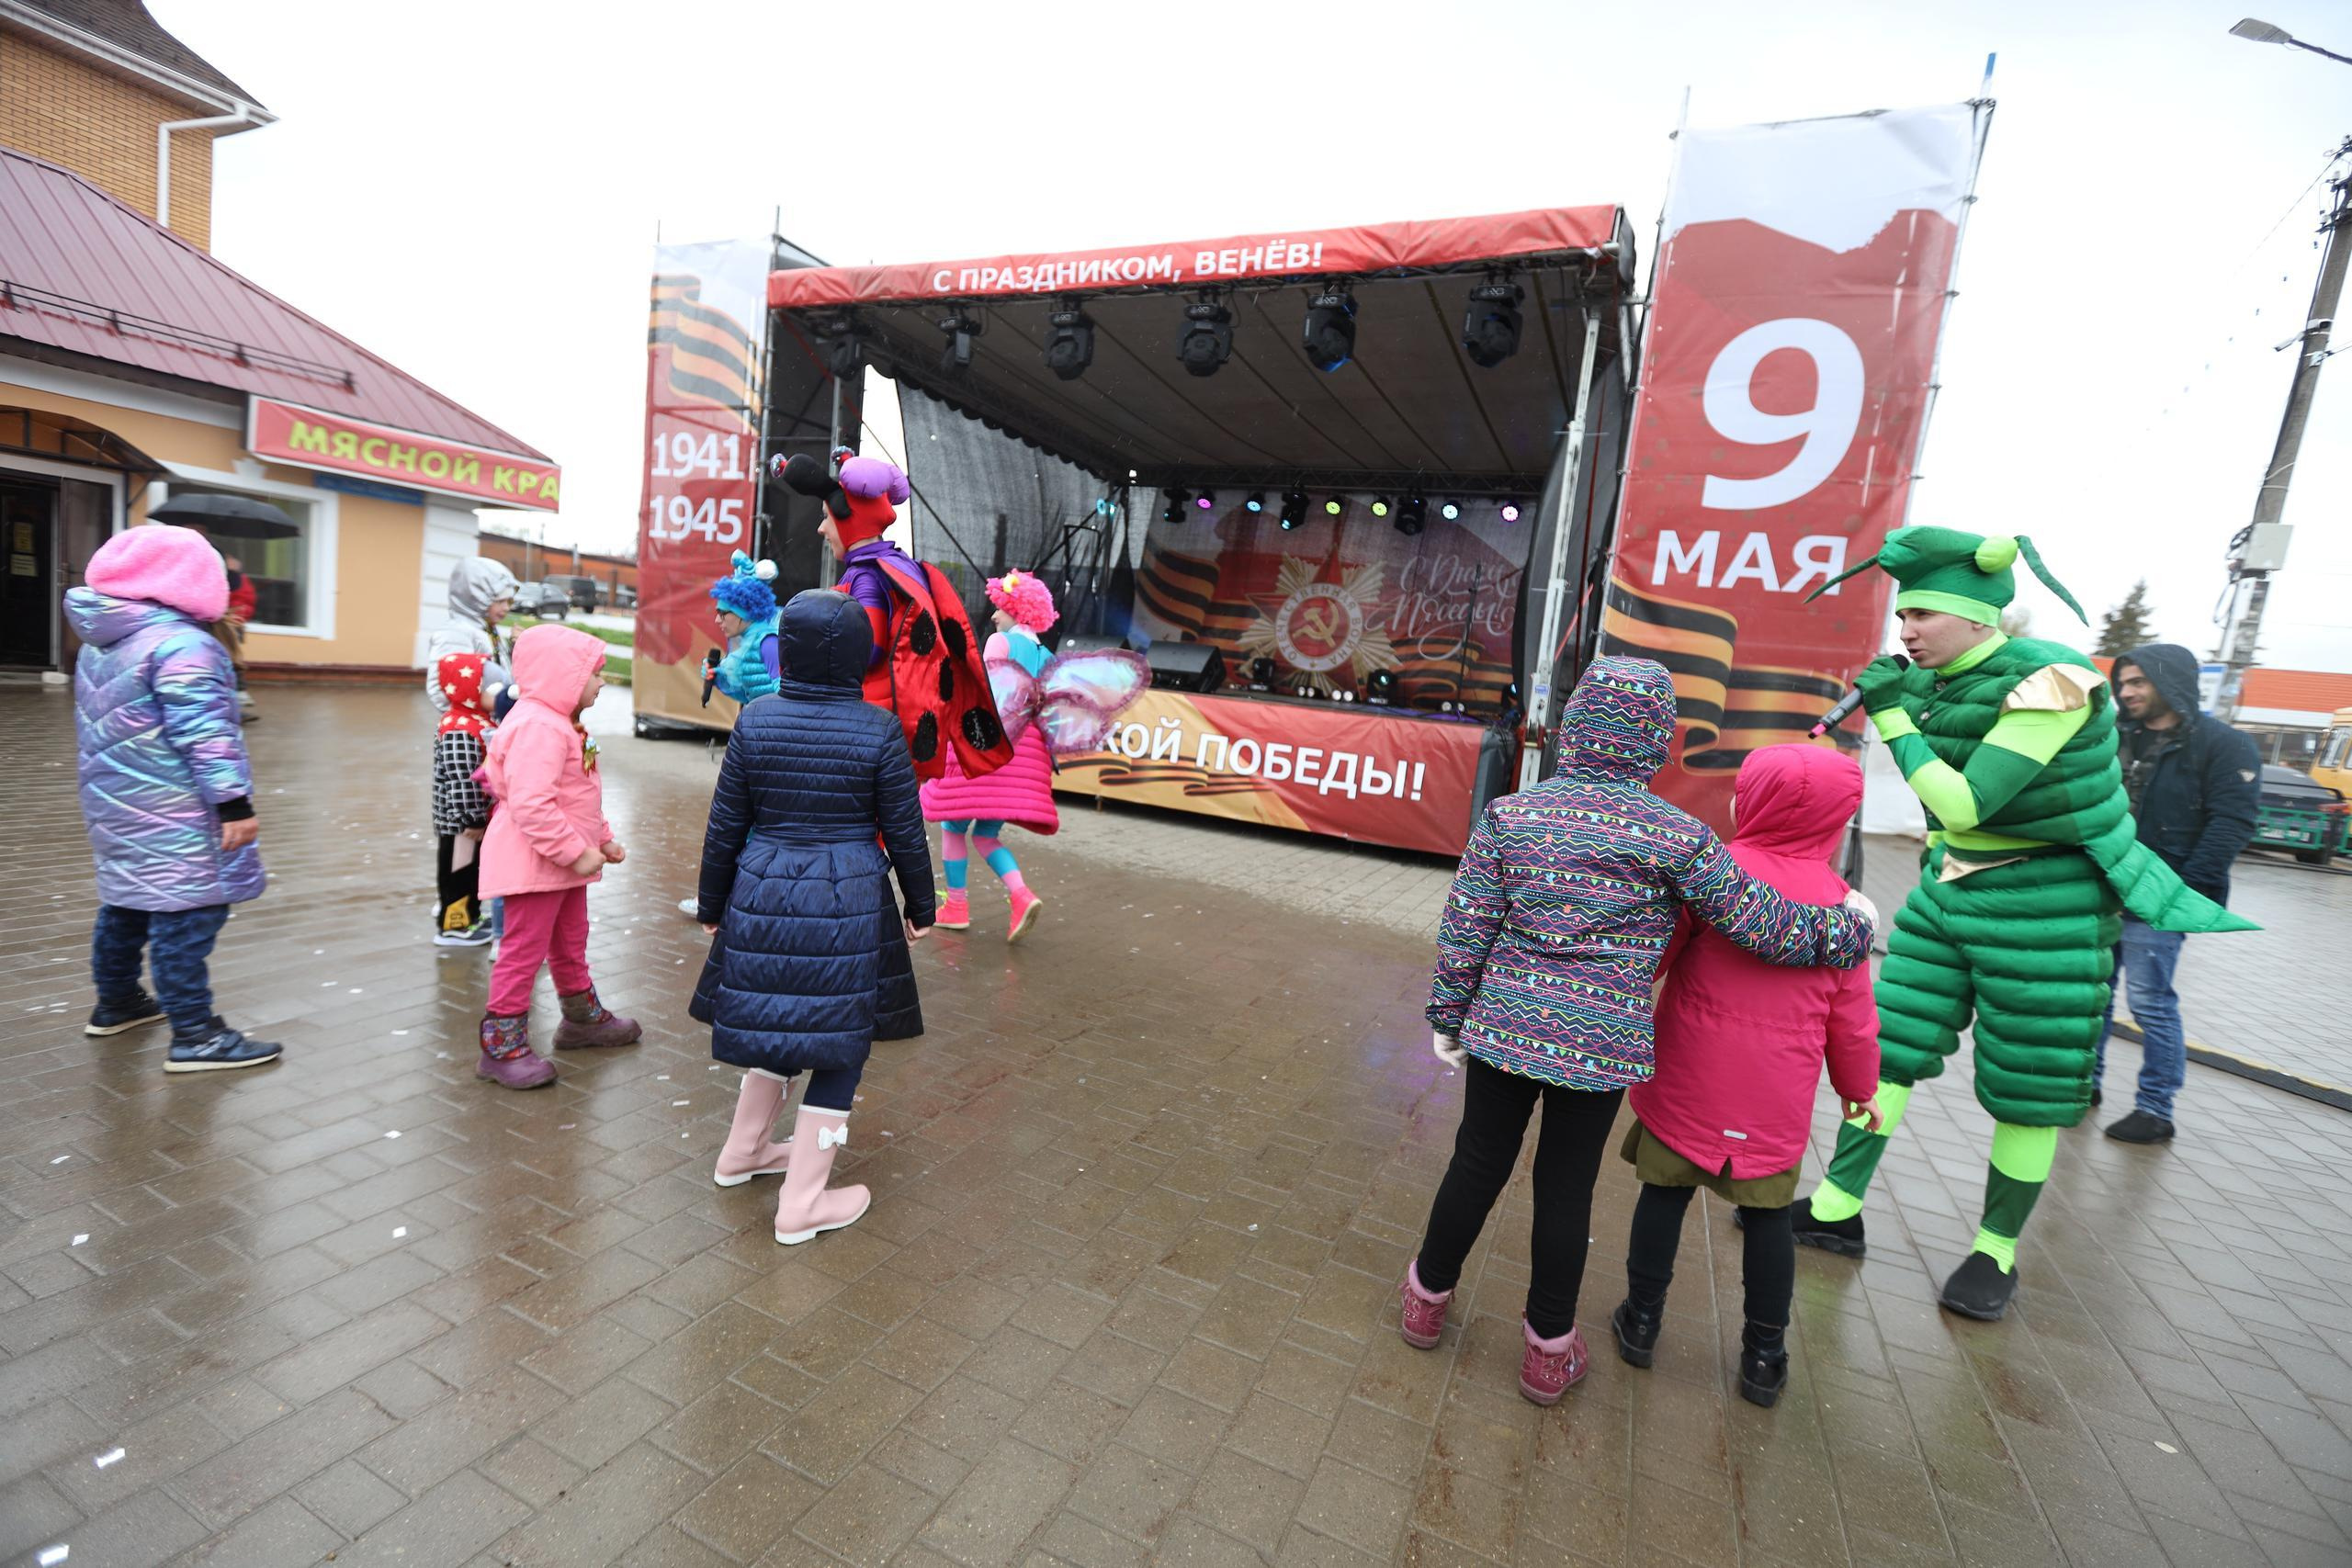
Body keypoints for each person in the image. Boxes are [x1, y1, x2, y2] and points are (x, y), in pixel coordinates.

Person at [1793, 528, 2256, 1320]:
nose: (1906, 631)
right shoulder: (1937, 680)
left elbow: (1967, 801)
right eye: (1902, 614)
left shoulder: (2055, 683)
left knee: (2030, 1086)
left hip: (2047, 905)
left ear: (1979, 618)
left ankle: (1995, 1251)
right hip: (1949, 893)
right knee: (1888, 1050)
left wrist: (1893, 719)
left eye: (1925, 613)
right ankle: (1837, 1205)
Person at [1396, 658, 1876, 1407]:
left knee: (1476, 1163)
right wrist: (1848, 931)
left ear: (1572, 729)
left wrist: (1447, 1016)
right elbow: (1762, 924)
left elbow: (1466, 930)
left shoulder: (1511, 817)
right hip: (1600, 1048)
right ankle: (1547, 1350)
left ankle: (1426, 1299)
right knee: (1566, 1188)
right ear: (1658, 744)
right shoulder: (1679, 837)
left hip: (1502, 1030)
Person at [1608, 744, 1882, 1409]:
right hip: (1773, 1103)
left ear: (1747, 802)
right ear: (1837, 822)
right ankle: (1764, 1353)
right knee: (1767, 1224)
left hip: (1686, 1083)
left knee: (1662, 1198)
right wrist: (1859, 1089)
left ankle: (1641, 1319)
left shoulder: (1712, 879)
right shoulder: (1846, 914)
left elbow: (1652, 958)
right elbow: (1852, 1022)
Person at [689, 590, 936, 1244]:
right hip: (848, 900)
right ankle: (801, 1204)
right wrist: (922, 906)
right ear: (862, 655)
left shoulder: (757, 720)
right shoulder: (878, 727)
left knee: (777, 1019)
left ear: (787, 650)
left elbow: (724, 828)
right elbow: (906, 832)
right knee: (838, 1046)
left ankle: (743, 1154)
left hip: (762, 890)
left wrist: (711, 904)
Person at [68, 524, 282, 1072]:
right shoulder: (186, 646)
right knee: (188, 915)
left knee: (127, 903)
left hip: (116, 805)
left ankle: (117, 1003)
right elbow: (205, 733)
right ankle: (196, 1035)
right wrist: (234, 804)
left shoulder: (102, 642)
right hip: (178, 811)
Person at [2091, 643, 2260, 1144]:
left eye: (2139, 681)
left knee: (2149, 1004)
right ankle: (2085, 1086)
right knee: (2093, 996)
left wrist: (2182, 892)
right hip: (2101, 891)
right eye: (2123, 683)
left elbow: (2232, 823)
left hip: (2160, 898)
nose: (2128, 692)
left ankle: (2155, 1109)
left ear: (2172, 682)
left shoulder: (2223, 744)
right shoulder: (2117, 736)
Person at [775, 448, 1011, 782]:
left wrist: (808, 648)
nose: (821, 529)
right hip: (885, 722)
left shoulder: (867, 576)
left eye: (827, 517)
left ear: (847, 519)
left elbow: (866, 648)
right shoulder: (888, 567)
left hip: (865, 722)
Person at [475, 623, 640, 1089]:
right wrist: (574, 852)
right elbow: (531, 805)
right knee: (522, 952)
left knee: (571, 941)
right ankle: (501, 1047)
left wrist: (602, 838)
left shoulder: (561, 723)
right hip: (535, 864)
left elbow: (577, 795)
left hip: (562, 863)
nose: (603, 682)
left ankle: (581, 1020)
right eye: (595, 673)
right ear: (561, 676)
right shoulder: (537, 727)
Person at [921, 570, 1061, 941]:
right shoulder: (1047, 656)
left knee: (952, 825)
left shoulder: (999, 642)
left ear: (1017, 610)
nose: (995, 615)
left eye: (1000, 608)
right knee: (985, 833)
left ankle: (957, 906)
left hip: (989, 744)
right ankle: (1021, 895)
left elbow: (983, 694)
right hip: (1026, 755)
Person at [428, 557, 519, 940]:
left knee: (467, 848)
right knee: (461, 846)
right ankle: (455, 918)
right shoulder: (457, 633)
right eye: (499, 599)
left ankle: (459, 907)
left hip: (483, 735)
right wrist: (476, 705)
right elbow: (443, 685)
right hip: (471, 748)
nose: (505, 608)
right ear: (476, 595)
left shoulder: (485, 630)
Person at [430, 652, 501, 946]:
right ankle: (454, 924)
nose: (498, 694)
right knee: (458, 870)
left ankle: (469, 913)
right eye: (492, 688)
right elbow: (461, 778)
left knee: (470, 870)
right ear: (470, 690)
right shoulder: (460, 727)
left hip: (468, 819)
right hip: (461, 823)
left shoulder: (473, 720)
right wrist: (470, 819)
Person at [707, 551, 784, 705]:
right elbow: (752, 694)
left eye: (722, 613)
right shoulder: (749, 641)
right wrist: (719, 678)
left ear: (745, 612)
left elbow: (783, 698)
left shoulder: (768, 642)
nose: (717, 620)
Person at [222, 553, 258, 720]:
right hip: (220, 621)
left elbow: (245, 602)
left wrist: (236, 618)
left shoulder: (239, 581)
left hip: (231, 624)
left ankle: (239, 693)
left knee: (234, 660)